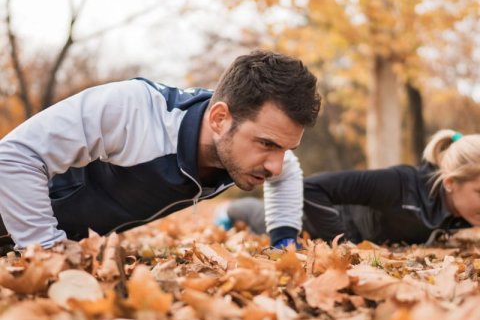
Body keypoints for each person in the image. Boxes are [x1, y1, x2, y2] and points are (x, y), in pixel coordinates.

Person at [0, 50, 321, 250]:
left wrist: (284, 242)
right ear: (220, 118)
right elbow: (14, 156)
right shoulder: (133, 109)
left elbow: (288, 172)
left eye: (286, 148)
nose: (276, 165)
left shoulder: (243, 146)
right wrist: (46, 250)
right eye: (268, 144)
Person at [221, 130, 480, 246]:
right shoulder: (399, 184)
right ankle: (228, 210)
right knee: (260, 216)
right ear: (450, 183)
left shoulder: (466, 211)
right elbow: (310, 188)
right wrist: (345, 244)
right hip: (311, 221)